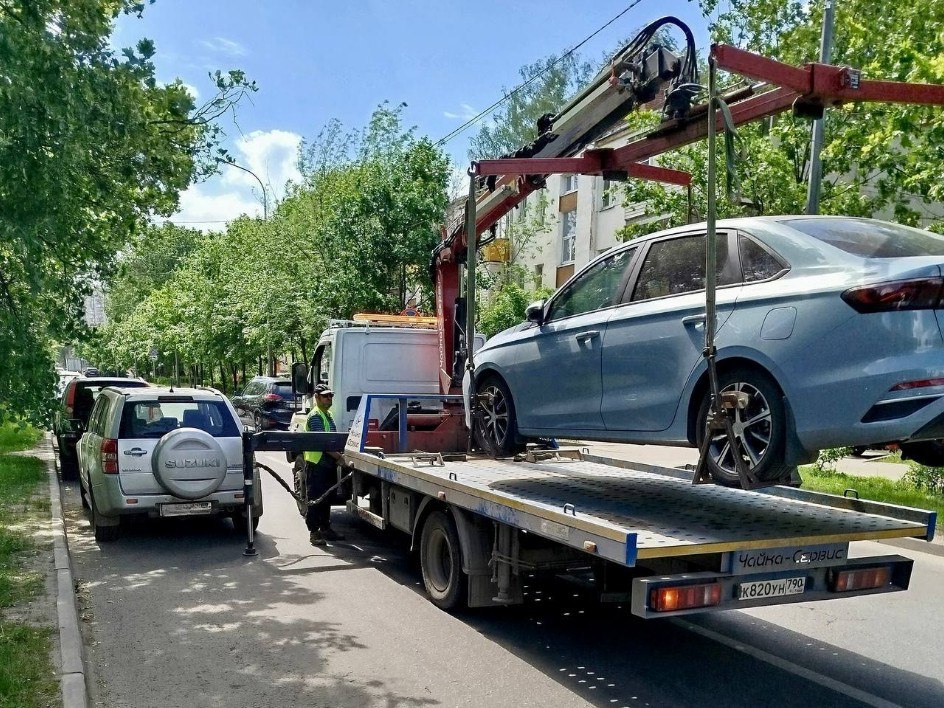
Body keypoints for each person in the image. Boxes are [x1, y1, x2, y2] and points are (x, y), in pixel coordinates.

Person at [302, 383, 344, 546]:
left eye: (330, 395)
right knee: (316, 499)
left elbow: (332, 440)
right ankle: (314, 532)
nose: (329, 398)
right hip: (317, 464)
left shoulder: (328, 415)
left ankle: (326, 528)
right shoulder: (315, 416)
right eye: (325, 396)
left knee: (327, 498)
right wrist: (340, 457)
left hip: (327, 464)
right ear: (317, 397)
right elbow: (323, 443)